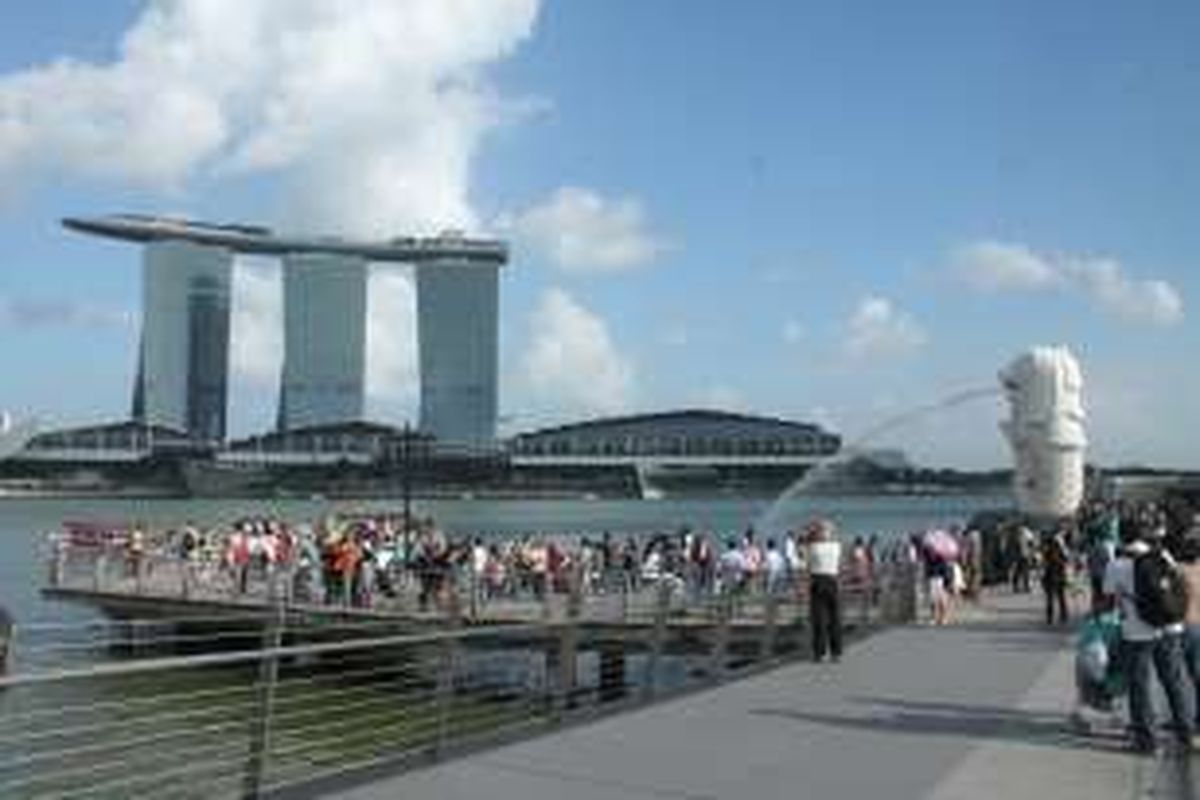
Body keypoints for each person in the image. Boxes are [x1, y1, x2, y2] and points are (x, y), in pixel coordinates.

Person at [1103, 525, 1195, 754]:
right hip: (1169, 628)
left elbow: (1108, 600)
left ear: (1121, 538)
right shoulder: (1163, 555)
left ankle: (1147, 741)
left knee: (1140, 685)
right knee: (1174, 681)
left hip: (1136, 633)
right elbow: (1179, 585)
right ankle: (1187, 734)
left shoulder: (1116, 564)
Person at [806, 519, 843, 663]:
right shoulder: (836, 546)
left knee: (818, 619)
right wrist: (829, 529)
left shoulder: (813, 547)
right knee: (835, 618)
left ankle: (820, 653)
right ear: (830, 533)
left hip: (817, 581)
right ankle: (836, 652)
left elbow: (807, 565)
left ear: (818, 533)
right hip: (833, 580)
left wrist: (811, 529)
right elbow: (840, 563)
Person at [1041, 527, 1070, 625]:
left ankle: (1051, 617)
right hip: (1058, 576)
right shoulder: (1060, 553)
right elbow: (1066, 562)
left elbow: (1044, 564)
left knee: (1052, 598)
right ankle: (1062, 615)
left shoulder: (1047, 552)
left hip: (1051, 577)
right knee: (1060, 597)